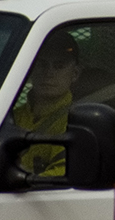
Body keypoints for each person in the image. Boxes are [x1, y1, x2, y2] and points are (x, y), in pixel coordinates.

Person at [13, 32, 81, 176]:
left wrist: (17, 177)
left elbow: (66, 175)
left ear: (75, 74)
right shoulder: (11, 117)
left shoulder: (77, 123)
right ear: (31, 70)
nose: (49, 73)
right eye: (42, 64)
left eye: (59, 66)